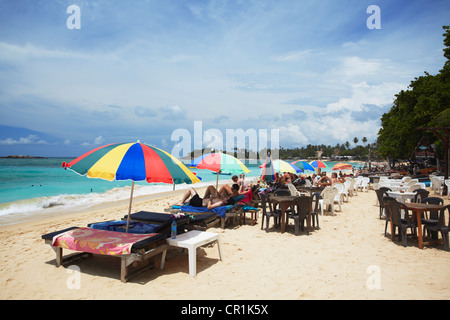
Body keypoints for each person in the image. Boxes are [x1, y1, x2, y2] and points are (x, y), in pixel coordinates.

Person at [171, 186, 235, 209]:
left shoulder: (220, 203)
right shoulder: (221, 201)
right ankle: (172, 204)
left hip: (199, 202)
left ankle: (181, 202)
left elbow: (209, 207)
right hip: (200, 201)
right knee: (187, 201)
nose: (226, 196)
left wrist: (210, 199)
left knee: (191, 189)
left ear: (226, 201)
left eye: (227, 197)